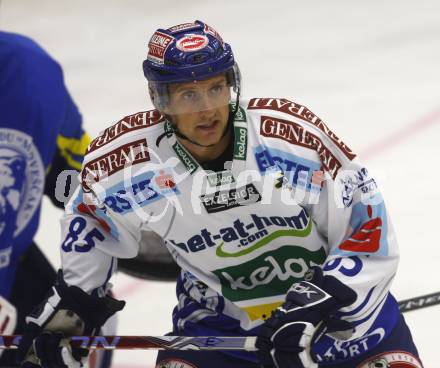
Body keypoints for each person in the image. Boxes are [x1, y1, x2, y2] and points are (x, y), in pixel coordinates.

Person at [17, 20, 423, 368]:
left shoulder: (289, 139)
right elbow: (90, 217)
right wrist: (76, 305)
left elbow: (366, 227)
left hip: (341, 323)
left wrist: (321, 303)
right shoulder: (126, 161)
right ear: (161, 100)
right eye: (189, 95)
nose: (207, 108)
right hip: (219, 330)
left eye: (215, 88)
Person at [0, 30, 115, 368]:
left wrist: (114, 206)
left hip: (11, 269)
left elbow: (66, 173)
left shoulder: (30, 71)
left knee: (81, 328)